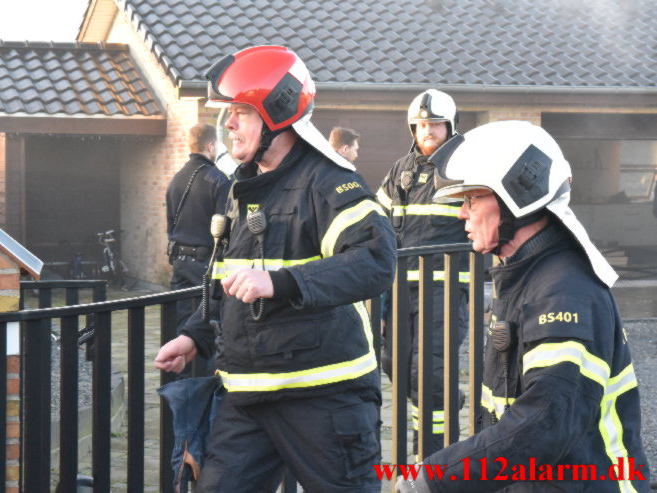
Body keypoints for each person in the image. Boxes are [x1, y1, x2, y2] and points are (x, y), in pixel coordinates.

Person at [155, 45, 397, 492]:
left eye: (240, 112)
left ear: (277, 113)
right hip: (247, 396)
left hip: (324, 397)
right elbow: (224, 279)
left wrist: (280, 282)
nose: (228, 124)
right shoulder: (241, 186)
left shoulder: (330, 183)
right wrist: (195, 335)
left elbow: (376, 262)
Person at [397, 120, 650, 492]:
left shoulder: (564, 293)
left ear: (517, 196)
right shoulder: (526, 277)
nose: (462, 214)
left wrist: (437, 478)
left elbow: (543, 424)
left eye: (470, 199)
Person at [376, 89, 469, 455]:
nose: (427, 130)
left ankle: (435, 458)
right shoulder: (402, 170)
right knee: (394, 365)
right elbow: (380, 226)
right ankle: (440, 415)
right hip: (400, 290)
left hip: (444, 289)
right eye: (421, 124)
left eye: (435, 124)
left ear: (450, 126)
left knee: (429, 374)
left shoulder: (466, 166)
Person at [166, 123, 230, 337]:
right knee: (208, 324)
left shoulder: (175, 180)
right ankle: (204, 370)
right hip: (204, 264)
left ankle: (179, 369)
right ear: (210, 145)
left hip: (179, 260)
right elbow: (225, 230)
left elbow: (170, 224)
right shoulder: (218, 179)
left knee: (180, 324)